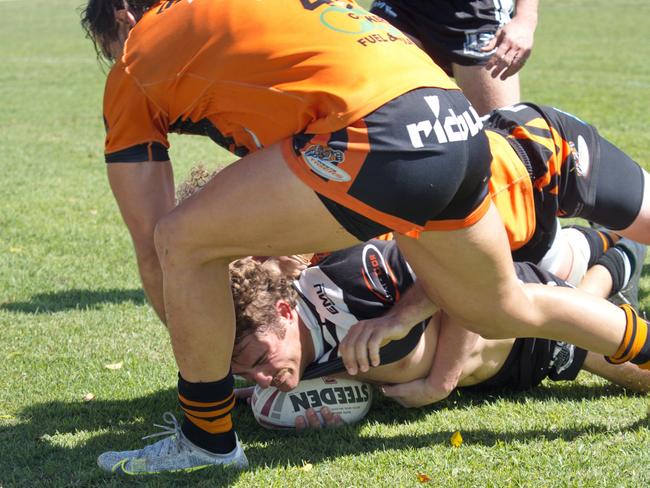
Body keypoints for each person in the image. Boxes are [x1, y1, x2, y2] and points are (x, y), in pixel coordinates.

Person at [82, 0, 650, 476]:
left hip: (382, 138)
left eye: (111, 46)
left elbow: (152, 239)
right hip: (454, 120)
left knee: (180, 240)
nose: (119, 60)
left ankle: (205, 440)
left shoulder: (137, 57)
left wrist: (201, 358)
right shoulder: (246, 16)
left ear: (126, 17)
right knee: (505, 306)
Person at [228, 239, 650, 429]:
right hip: (498, 377)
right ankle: (620, 250)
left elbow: (462, 270)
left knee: (640, 378)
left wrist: (441, 381)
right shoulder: (286, 351)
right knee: (591, 287)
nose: (262, 377)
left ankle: (629, 240)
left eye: (260, 361)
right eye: (247, 374)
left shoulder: (351, 281)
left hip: (534, 335)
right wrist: (265, 391)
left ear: (285, 311)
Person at [369, 0, 539, 115]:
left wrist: (525, 19)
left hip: (475, 13)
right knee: (388, 122)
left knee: (501, 135)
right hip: (402, 8)